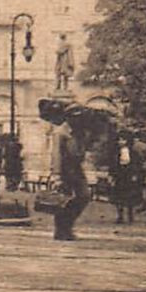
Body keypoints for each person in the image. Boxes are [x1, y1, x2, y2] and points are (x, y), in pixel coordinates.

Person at [46, 104, 90, 242]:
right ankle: (62, 230)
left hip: (76, 168)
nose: (80, 120)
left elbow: (81, 152)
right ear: (69, 117)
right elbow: (56, 154)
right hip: (65, 169)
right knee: (62, 200)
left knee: (84, 196)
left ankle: (67, 225)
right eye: (76, 117)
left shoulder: (80, 133)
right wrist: (56, 175)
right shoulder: (60, 132)